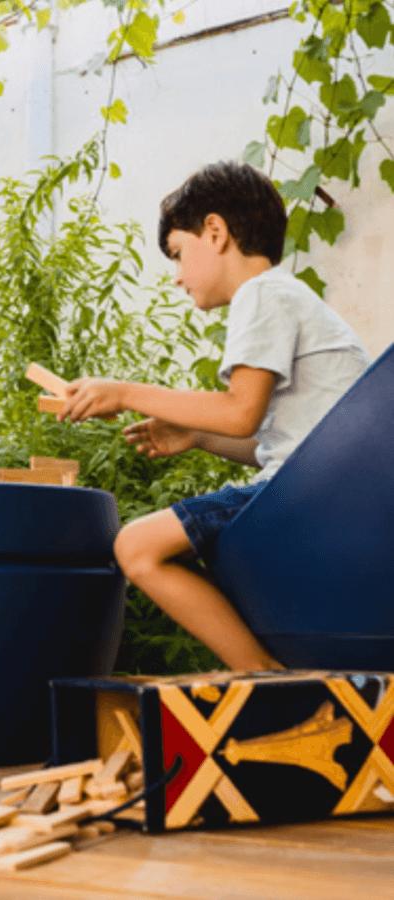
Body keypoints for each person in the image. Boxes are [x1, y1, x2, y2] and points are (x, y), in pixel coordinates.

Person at [58, 161, 371, 671]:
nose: (178, 278)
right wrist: (200, 436)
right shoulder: (288, 296)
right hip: (327, 489)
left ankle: (263, 675)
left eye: (178, 255)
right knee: (167, 545)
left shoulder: (263, 293)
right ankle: (264, 669)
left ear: (216, 232)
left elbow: (240, 412)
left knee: (137, 547)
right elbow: (275, 441)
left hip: (309, 497)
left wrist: (125, 392)